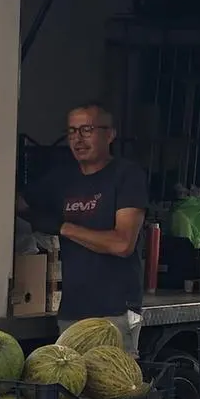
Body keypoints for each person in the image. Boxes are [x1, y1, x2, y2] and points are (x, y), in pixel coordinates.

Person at [23, 104, 148, 348]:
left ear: (109, 134)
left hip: (115, 312)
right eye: (71, 131)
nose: (77, 139)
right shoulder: (62, 179)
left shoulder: (126, 176)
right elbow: (18, 203)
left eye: (86, 130)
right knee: (70, 383)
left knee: (110, 383)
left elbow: (122, 244)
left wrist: (65, 228)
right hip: (72, 310)